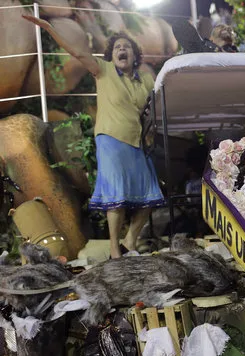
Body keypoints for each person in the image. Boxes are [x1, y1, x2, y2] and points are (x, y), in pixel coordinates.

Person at [23, 16, 165, 259]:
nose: (122, 49)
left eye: (127, 47)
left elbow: (155, 105)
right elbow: (77, 52)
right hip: (110, 139)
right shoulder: (104, 70)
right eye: (118, 47)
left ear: (134, 55)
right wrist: (50, 28)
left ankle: (129, 240)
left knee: (151, 195)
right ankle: (114, 250)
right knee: (116, 197)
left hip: (135, 142)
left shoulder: (146, 81)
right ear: (111, 54)